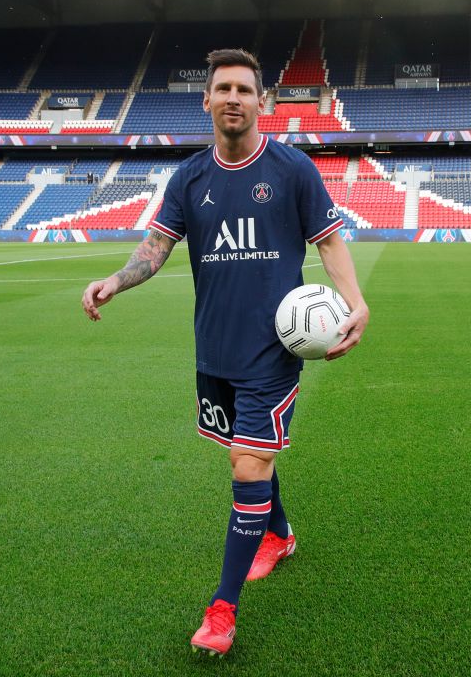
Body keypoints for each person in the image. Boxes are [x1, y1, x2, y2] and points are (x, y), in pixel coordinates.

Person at [80, 48, 369, 658]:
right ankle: (280, 535)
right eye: (223, 89)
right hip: (214, 353)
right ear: (206, 101)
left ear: (262, 102)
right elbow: (154, 249)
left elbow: (332, 240)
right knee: (249, 455)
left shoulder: (293, 170)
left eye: (245, 89)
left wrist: (355, 302)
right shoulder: (188, 178)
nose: (234, 98)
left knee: (248, 465)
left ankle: (222, 610)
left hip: (274, 352)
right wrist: (115, 280)